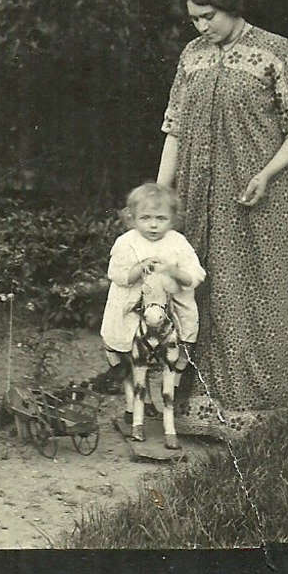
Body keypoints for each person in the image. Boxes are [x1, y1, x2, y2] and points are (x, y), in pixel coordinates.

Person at [156, 0, 288, 437]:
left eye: (208, 16)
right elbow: (174, 127)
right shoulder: (192, 56)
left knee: (252, 289)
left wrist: (266, 174)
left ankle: (255, 403)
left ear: (232, 9)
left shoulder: (274, 52)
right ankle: (194, 400)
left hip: (255, 195)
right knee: (194, 287)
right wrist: (160, 193)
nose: (200, 26)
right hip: (195, 195)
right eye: (194, 19)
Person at [101, 182, 206, 434]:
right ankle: (134, 402)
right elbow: (116, 274)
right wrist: (139, 269)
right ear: (132, 218)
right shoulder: (126, 242)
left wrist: (174, 271)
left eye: (161, 218)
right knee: (125, 340)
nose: (153, 225)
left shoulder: (177, 242)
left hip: (169, 298)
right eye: (145, 218)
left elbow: (195, 274)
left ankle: (173, 384)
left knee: (186, 330)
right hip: (134, 301)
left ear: (173, 219)